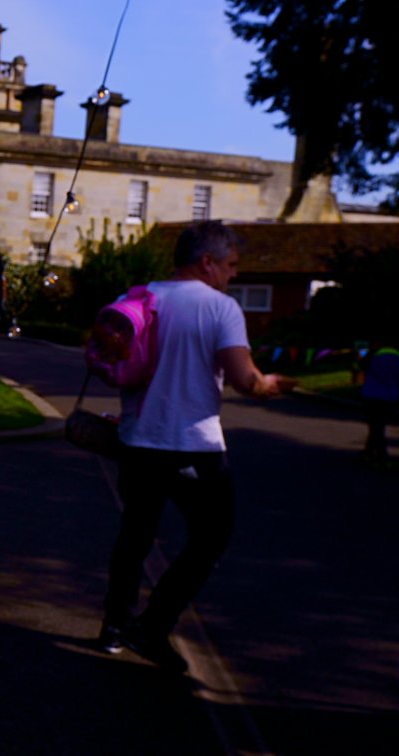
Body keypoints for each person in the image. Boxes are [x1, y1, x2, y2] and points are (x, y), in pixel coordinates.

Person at [96, 221, 297, 673]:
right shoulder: (221, 308)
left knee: (135, 535)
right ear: (207, 262)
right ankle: (151, 627)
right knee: (211, 537)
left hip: (137, 440)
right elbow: (246, 381)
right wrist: (271, 384)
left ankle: (114, 627)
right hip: (194, 446)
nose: (233, 275)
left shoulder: (140, 297)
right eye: (230, 265)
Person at [357, 338, 399, 467]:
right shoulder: (397, 356)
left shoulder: (372, 356)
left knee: (375, 427)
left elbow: (358, 367)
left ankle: (382, 457)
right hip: (390, 396)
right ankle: (368, 453)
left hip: (371, 395)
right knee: (378, 425)